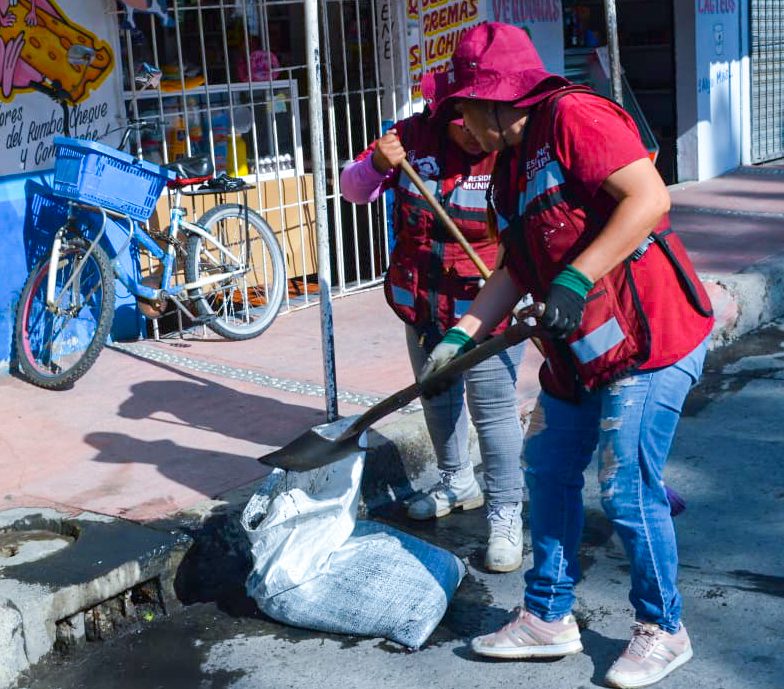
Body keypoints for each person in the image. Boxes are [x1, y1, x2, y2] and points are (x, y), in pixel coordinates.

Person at [422, 22, 714, 689]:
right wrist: (461, 335)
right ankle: (548, 615)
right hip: (577, 350)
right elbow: (516, 269)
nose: (459, 122)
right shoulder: (509, 169)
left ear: (500, 100)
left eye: (465, 106)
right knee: (548, 468)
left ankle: (664, 628)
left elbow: (649, 197)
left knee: (625, 488)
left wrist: (577, 276)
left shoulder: (575, 117)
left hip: (650, 339)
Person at [339, 101, 527, 573]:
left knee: (493, 411)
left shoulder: (514, 147)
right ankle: (456, 481)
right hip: (422, 300)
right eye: (464, 125)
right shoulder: (410, 139)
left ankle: (506, 512)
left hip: (489, 304)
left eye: (481, 125)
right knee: (436, 396)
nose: (474, 135)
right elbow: (351, 190)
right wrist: (376, 165)